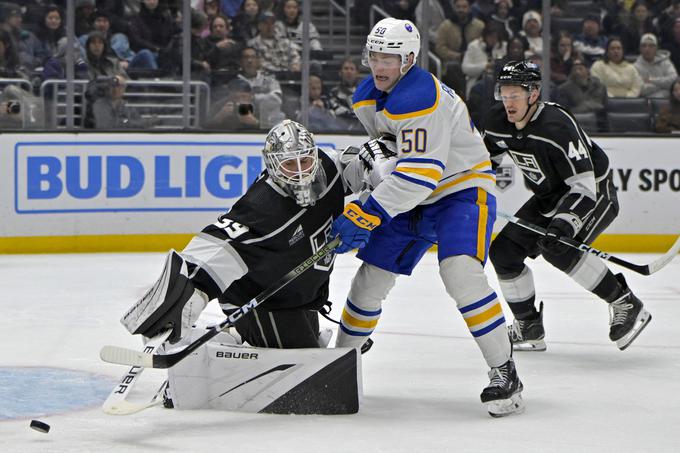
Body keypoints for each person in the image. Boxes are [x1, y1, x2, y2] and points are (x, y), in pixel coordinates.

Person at [330, 18, 524, 418]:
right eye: (375, 55)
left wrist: (367, 212)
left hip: (461, 189)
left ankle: (505, 371)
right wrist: (373, 170)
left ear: (410, 59)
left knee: (460, 273)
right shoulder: (368, 95)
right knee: (370, 280)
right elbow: (395, 153)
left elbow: (421, 175)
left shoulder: (421, 95)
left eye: (390, 57)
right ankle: (339, 363)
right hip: (415, 192)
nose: (380, 66)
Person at [121, 118, 397, 350]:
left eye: (305, 161)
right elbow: (215, 247)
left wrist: (372, 202)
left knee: (309, 355)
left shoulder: (328, 168)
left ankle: (243, 337)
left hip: (297, 299)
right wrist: (184, 302)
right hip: (257, 302)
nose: (301, 173)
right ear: (273, 165)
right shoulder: (263, 207)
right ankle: (217, 344)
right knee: (302, 377)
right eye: (290, 165)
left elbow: (372, 158)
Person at [482, 60, 652, 353]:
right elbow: (485, 163)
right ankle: (528, 326)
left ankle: (624, 301)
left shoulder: (558, 126)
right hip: (549, 197)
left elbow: (584, 186)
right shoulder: (497, 123)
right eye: (504, 94)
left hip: (594, 193)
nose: (508, 102)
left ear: (533, 94)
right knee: (503, 253)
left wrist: (564, 223)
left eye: (515, 95)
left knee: (557, 246)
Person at [634, 33, 678, 99]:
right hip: (647, 104)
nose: (647, 49)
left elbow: (674, 80)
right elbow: (641, 90)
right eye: (644, 46)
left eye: (651, 46)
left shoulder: (665, 61)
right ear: (640, 49)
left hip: (669, 102)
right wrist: (665, 86)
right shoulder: (635, 67)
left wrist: (651, 80)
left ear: (656, 48)